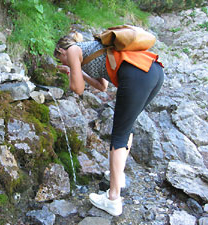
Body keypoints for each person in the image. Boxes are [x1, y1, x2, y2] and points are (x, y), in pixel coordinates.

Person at [54, 31, 164, 216]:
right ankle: (118, 179)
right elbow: (102, 86)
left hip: (137, 74)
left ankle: (113, 198)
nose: (63, 63)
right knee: (126, 129)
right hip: (152, 71)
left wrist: (73, 72)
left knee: (118, 135)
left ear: (61, 51)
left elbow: (77, 89)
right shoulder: (90, 51)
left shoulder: (73, 50)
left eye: (60, 60)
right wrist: (77, 71)